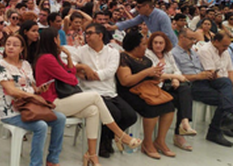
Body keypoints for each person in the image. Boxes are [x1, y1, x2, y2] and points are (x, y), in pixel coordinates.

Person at [36, 27, 141, 166]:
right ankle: (121, 135)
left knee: (93, 110)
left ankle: (91, 155)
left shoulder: (52, 57)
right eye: (58, 39)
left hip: (62, 98)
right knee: (95, 97)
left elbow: (71, 71)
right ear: (54, 40)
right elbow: (72, 79)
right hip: (51, 102)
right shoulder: (47, 59)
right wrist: (80, 70)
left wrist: (68, 57)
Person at [0, 33, 66, 166]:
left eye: (15, 45)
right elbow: (11, 90)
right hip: (12, 110)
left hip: (30, 107)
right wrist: (33, 95)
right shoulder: (1, 66)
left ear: (21, 49)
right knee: (41, 126)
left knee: (60, 119)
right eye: (8, 44)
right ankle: (36, 164)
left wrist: (39, 90)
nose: (10, 47)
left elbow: (32, 86)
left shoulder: (25, 64)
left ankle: (52, 160)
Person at [71, 23, 138, 158]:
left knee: (131, 116)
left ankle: (109, 138)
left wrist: (89, 75)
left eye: (90, 33)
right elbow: (70, 64)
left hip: (109, 91)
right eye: (86, 34)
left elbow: (109, 72)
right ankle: (104, 143)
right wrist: (83, 67)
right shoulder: (82, 51)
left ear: (100, 35)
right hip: (89, 92)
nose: (87, 36)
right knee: (114, 113)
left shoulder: (112, 52)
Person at [117, 31, 175, 159]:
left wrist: (156, 77)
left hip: (146, 89)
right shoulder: (124, 58)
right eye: (143, 44)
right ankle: (147, 143)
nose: (146, 46)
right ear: (135, 46)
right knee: (151, 108)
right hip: (129, 92)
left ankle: (160, 140)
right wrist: (147, 72)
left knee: (169, 106)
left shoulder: (146, 60)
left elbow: (148, 78)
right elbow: (125, 81)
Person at [172, 28, 233, 146]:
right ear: (181, 38)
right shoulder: (174, 54)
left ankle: (225, 120)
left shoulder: (193, 53)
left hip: (205, 81)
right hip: (190, 84)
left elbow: (229, 71)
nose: (193, 42)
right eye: (191, 39)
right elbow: (176, 75)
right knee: (226, 98)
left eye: (194, 39)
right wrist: (198, 76)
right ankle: (217, 129)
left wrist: (206, 75)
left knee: (226, 89)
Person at [145, 31, 196, 151]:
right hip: (157, 86)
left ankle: (183, 124)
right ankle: (181, 130)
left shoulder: (168, 54)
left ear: (165, 44)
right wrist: (175, 77)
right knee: (182, 98)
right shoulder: (148, 54)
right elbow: (156, 74)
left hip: (170, 85)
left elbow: (176, 69)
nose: (158, 45)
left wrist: (176, 78)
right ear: (151, 44)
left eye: (161, 43)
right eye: (155, 43)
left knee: (184, 90)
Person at [106, 0, 178, 50]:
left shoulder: (162, 16)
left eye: (139, 7)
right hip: (158, 44)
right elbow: (131, 22)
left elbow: (166, 35)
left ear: (146, 6)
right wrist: (113, 27)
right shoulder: (144, 15)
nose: (136, 9)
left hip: (170, 46)